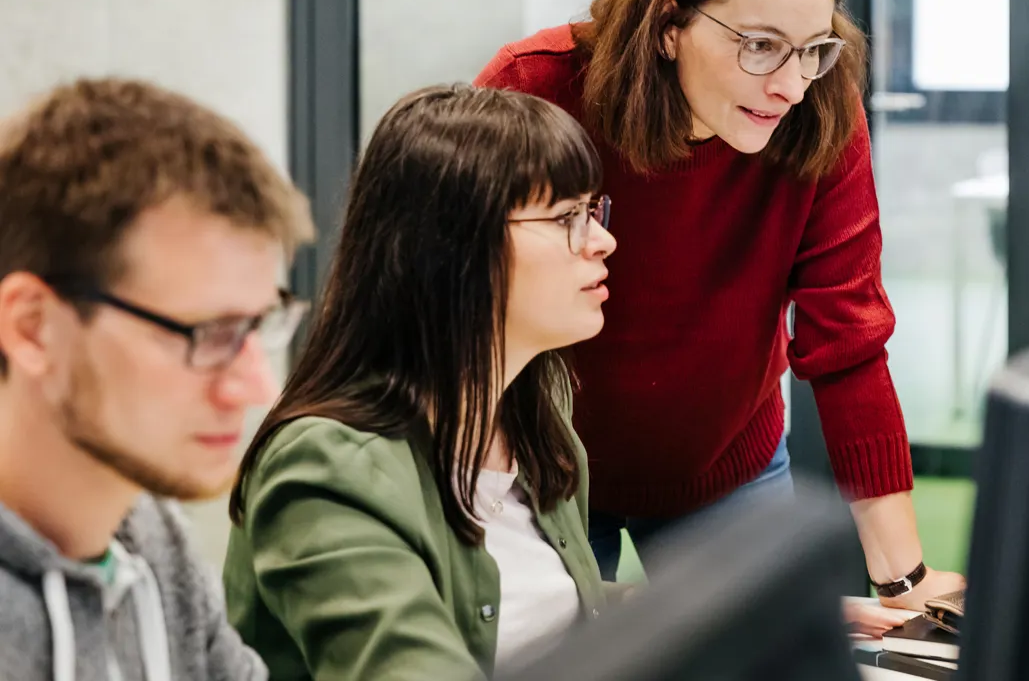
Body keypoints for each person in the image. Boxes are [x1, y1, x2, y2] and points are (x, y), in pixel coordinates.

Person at [476, 0, 963, 625]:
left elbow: (849, 344)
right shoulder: (537, 89)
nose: (792, 85)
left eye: (812, 50)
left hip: (727, 462)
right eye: (761, 46)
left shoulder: (822, 113)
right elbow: (458, 306)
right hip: (545, 467)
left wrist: (904, 580)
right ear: (669, 22)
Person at [224, 84, 618, 679]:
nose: (602, 240)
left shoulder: (537, 409)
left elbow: (551, 612)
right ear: (454, 249)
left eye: (593, 211)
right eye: (567, 217)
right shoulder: (324, 467)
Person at [0, 78, 314, 681]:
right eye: (208, 333)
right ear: (34, 328)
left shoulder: (148, 537)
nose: (256, 388)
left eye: (258, 325)